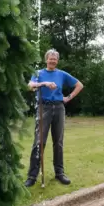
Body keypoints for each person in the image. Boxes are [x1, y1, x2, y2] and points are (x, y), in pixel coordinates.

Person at [24, 49, 84, 187]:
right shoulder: (38, 73)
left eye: (55, 59)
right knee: (39, 142)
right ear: (46, 59)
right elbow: (29, 86)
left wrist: (68, 98)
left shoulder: (62, 74)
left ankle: (59, 173)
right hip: (43, 108)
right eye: (50, 58)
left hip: (59, 108)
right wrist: (44, 84)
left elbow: (79, 85)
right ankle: (32, 176)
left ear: (57, 61)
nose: (53, 61)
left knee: (58, 142)